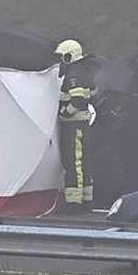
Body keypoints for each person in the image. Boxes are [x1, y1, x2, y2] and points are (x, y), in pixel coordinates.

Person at [55, 39, 96, 213]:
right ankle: (86, 200)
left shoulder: (74, 74)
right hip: (80, 125)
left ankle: (74, 203)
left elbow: (78, 100)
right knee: (82, 162)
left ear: (70, 55)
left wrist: (64, 113)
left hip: (74, 125)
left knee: (74, 162)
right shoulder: (83, 71)